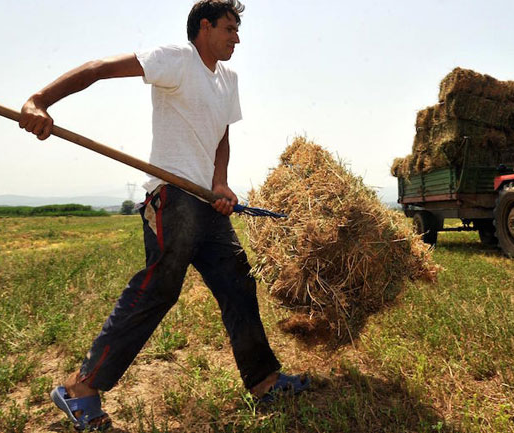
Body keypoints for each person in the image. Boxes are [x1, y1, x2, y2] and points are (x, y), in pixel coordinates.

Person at [18, 1, 308, 430]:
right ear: (204, 27)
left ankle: (264, 381)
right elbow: (98, 68)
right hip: (172, 197)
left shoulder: (229, 79)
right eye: (229, 29)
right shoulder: (176, 59)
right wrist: (38, 100)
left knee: (238, 283)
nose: (237, 38)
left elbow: (222, 134)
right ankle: (80, 389)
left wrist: (220, 182)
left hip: (207, 202)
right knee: (159, 288)